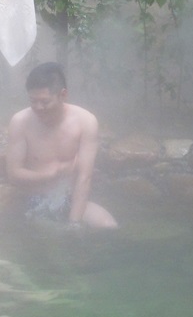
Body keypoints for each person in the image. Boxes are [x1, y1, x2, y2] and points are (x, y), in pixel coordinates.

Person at [6, 61, 118, 228]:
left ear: (62, 95)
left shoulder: (85, 121)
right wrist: (48, 175)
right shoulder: (20, 122)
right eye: (33, 101)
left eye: (44, 101)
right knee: (52, 234)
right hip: (36, 201)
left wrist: (74, 223)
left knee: (108, 225)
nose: (38, 107)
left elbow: (84, 177)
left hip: (71, 198)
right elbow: (14, 174)